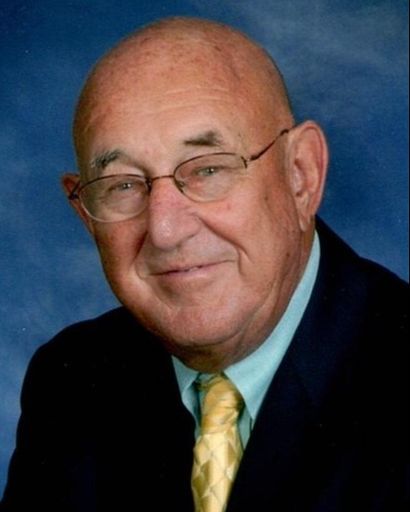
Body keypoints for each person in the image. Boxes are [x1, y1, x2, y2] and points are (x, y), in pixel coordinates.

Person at [0, 16, 408, 512]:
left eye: (209, 169)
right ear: (86, 215)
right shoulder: (71, 381)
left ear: (301, 175)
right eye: (122, 185)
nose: (166, 230)